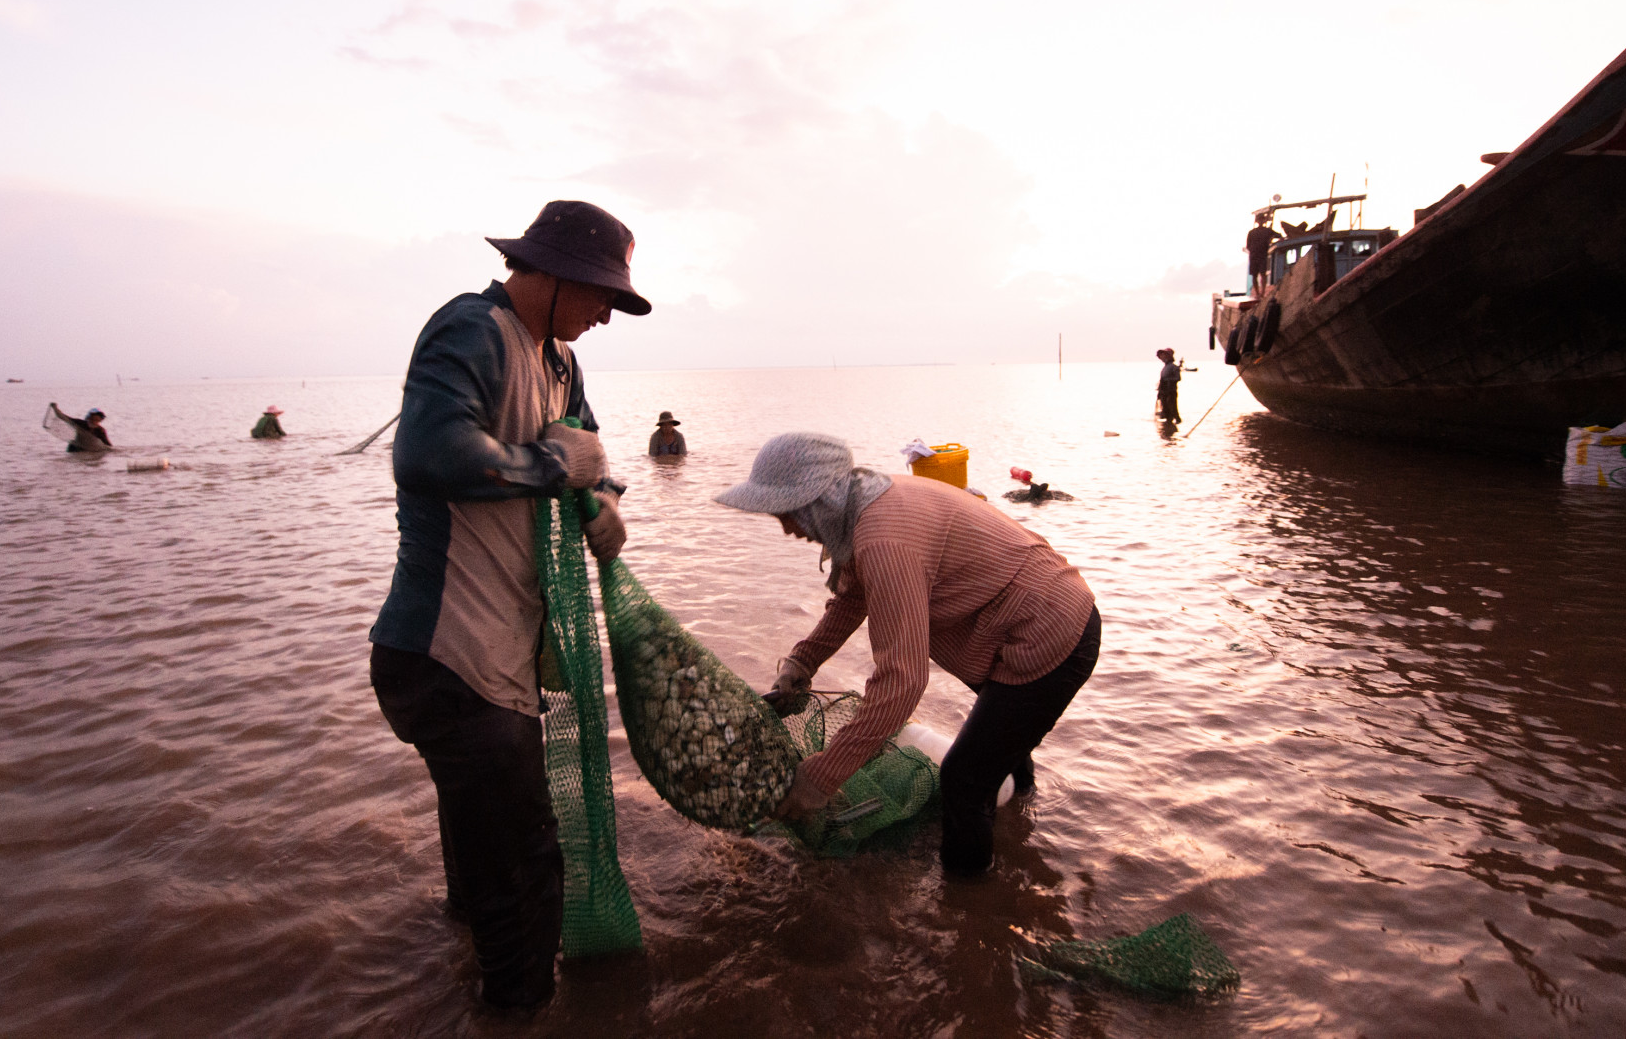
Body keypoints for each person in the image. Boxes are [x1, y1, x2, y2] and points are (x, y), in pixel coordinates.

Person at [366, 200, 650, 1012]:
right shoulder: (471, 330)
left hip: (497, 656)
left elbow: (584, 450)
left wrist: (602, 497)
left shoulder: (561, 360)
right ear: (552, 275)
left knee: (479, 856)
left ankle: (466, 978)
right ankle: (518, 1011)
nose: (603, 315)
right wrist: (548, 465)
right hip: (446, 653)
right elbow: (427, 455)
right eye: (599, 295)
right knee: (524, 861)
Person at [716, 432, 1100, 877]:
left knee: (963, 781)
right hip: (1017, 628)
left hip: (1049, 632)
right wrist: (803, 662)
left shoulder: (883, 538)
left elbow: (902, 683)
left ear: (815, 503)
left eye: (787, 514)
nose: (786, 528)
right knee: (998, 746)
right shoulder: (864, 503)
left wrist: (819, 780)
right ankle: (1019, 829)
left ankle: (971, 915)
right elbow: (852, 598)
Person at [1245, 211, 1277, 295]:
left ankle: (1262, 292)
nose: (1261, 221)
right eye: (1259, 219)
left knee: (1262, 274)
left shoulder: (1267, 231)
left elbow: (1278, 235)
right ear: (1257, 221)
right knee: (1255, 275)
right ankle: (1258, 293)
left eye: (1262, 219)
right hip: (1255, 256)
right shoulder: (1252, 232)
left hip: (1260, 255)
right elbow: (1248, 245)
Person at [1156, 348, 1183, 423]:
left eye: (1164, 356)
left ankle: (1175, 423)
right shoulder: (1165, 367)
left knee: (1173, 409)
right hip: (1164, 392)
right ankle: (1168, 427)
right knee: (1166, 410)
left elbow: (1178, 378)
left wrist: (1168, 381)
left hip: (1171, 391)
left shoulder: (1173, 367)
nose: (1162, 358)